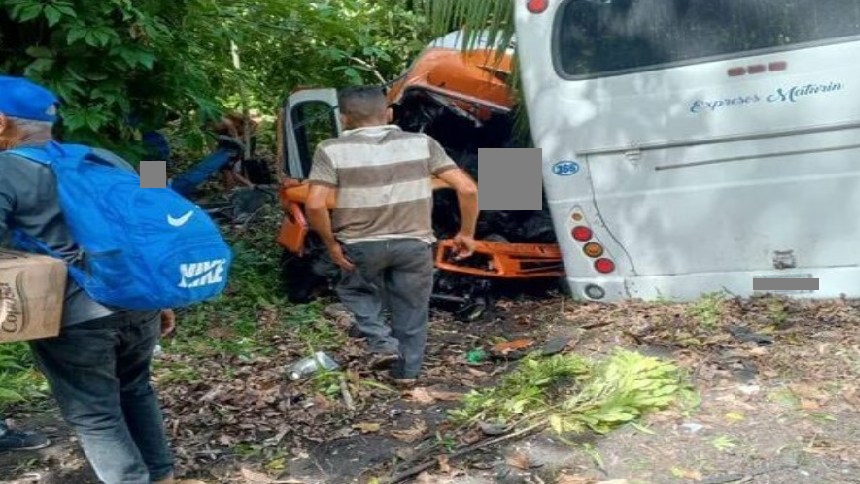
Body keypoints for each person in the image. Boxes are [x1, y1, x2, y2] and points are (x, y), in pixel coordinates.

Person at [0, 75, 200, 484]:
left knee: (95, 416)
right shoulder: (106, 157)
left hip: (72, 315)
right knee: (137, 389)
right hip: (137, 299)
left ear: (2, 122)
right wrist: (161, 297)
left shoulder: (3, 171)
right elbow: (155, 222)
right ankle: (162, 477)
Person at [305, 85, 479, 388]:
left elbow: (316, 203)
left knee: (356, 291)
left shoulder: (330, 149)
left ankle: (381, 343)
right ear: (388, 113)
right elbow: (467, 188)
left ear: (345, 119)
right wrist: (466, 234)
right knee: (412, 310)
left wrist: (331, 244)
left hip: (360, 245)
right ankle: (406, 376)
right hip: (414, 245)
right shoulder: (422, 143)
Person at [167, 113, 255, 198]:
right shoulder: (226, 131)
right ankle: (241, 188)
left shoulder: (231, 128)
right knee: (227, 172)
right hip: (227, 152)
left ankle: (176, 188)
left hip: (229, 152)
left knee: (204, 169)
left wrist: (213, 113)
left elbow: (227, 123)